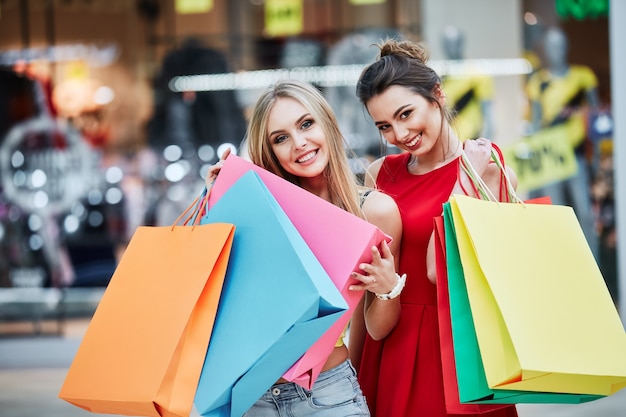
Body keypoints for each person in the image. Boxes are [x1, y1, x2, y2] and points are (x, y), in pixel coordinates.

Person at [204, 79, 403, 417]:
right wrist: (220, 204)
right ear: (270, 151)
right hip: (251, 396)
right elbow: (225, 303)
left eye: (306, 124)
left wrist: (388, 289)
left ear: (327, 122)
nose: (299, 143)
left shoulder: (374, 211)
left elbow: (377, 328)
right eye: (281, 138)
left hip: (328, 396)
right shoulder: (262, 207)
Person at [354, 39, 519, 417]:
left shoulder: (486, 169)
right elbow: (367, 288)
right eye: (385, 126)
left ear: (438, 95)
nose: (399, 134)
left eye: (406, 113)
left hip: (461, 346)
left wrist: (465, 179)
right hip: (391, 340)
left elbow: (437, 270)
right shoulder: (382, 173)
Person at [525, 26, 600, 260]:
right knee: (555, 214)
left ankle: (594, 268)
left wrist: (596, 154)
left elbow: (597, 119)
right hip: (551, 156)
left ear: (566, 47)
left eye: (559, 45)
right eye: (551, 46)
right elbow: (536, 123)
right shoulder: (538, 82)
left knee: (585, 214)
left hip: (576, 154)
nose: (555, 51)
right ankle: (562, 266)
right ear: (546, 50)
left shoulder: (583, 77)